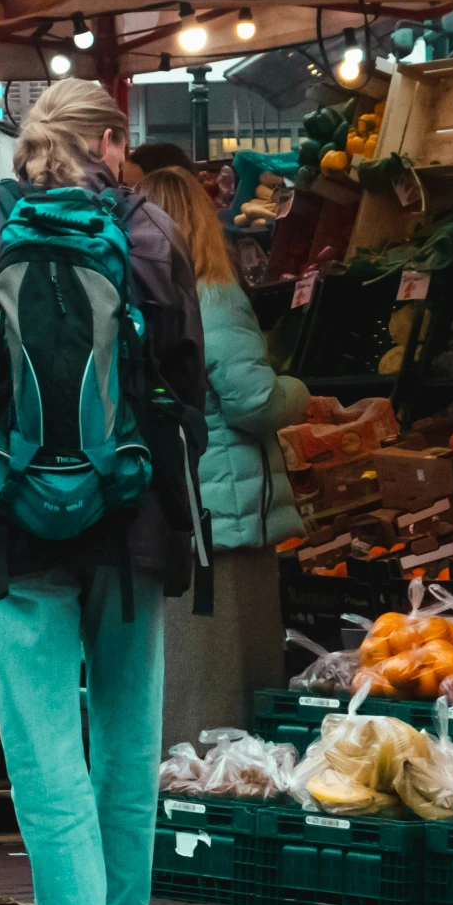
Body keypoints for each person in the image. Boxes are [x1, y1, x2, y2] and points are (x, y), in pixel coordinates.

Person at [0, 80, 207, 905]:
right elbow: (185, 383)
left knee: (42, 740)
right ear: (110, 143)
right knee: (127, 735)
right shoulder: (152, 235)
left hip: (14, 528)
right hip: (132, 529)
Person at [137, 165, 308, 745]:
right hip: (220, 518)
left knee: (172, 671)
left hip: (157, 510)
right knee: (226, 675)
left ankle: (169, 791)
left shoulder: (128, 300)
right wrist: (301, 392)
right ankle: (212, 796)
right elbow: (254, 402)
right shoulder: (212, 295)